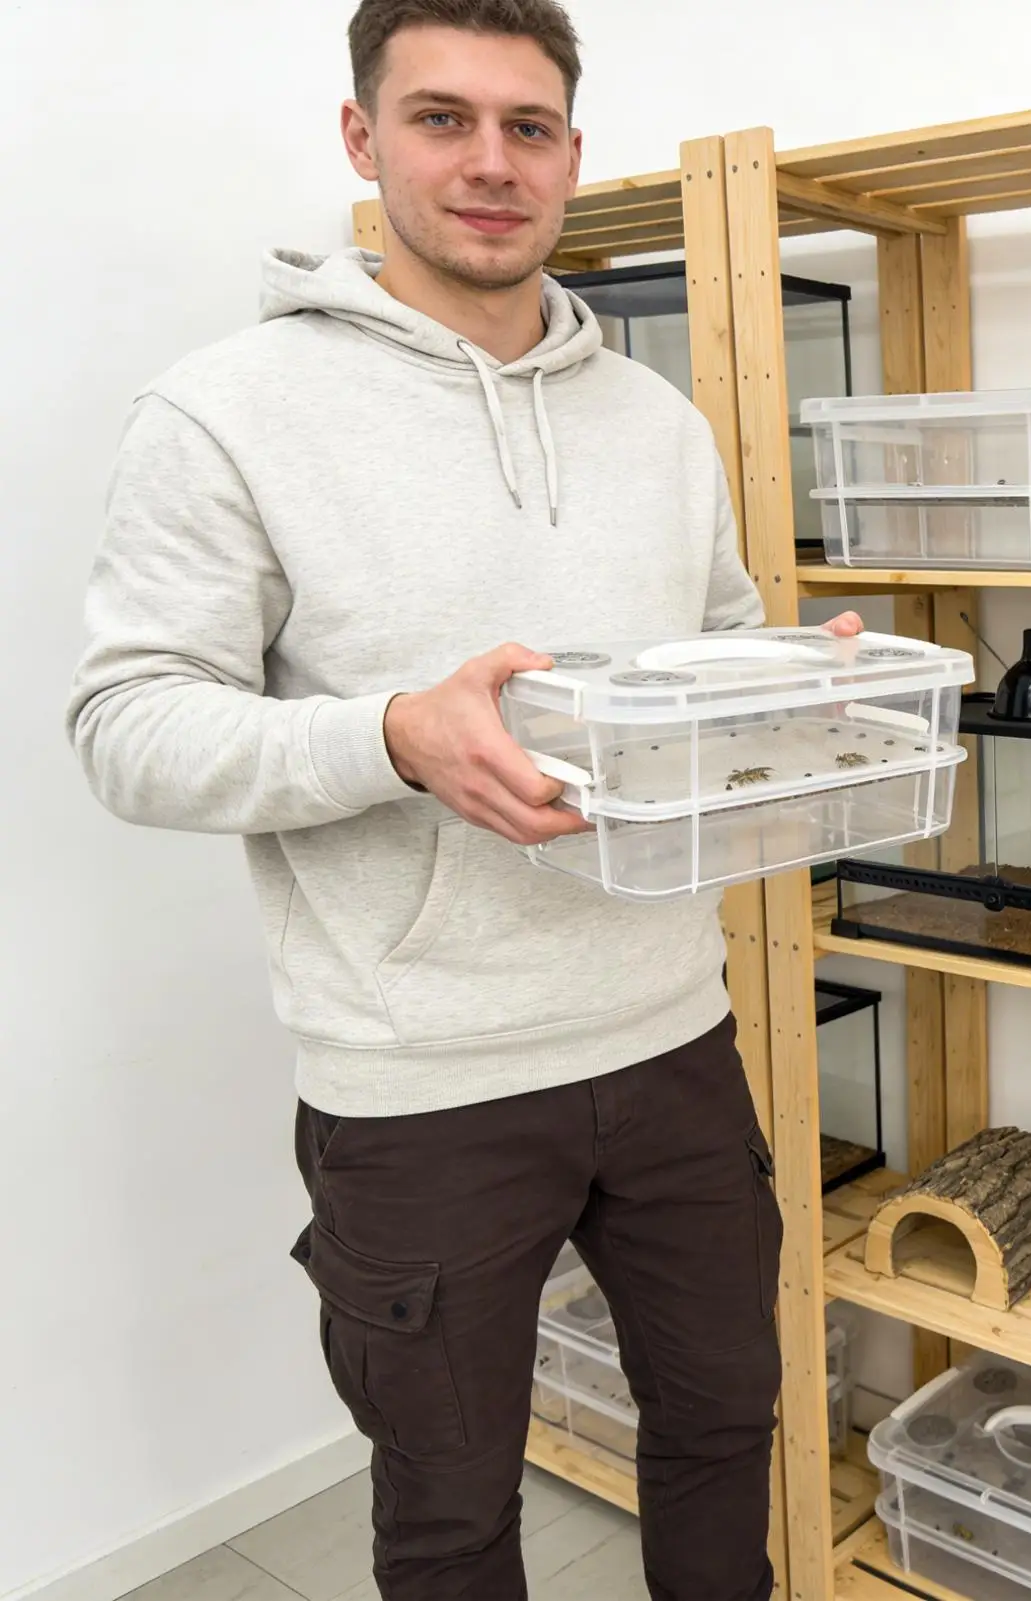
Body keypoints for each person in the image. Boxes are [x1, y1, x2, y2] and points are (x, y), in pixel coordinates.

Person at [67, 2, 861, 1596]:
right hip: (417, 1085)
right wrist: (390, 737)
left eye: (529, 127)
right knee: (448, 1512)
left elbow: (702, 646)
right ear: (362, 141)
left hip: (671, 1035)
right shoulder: (224, 409)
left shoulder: (657, 419)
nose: (492, 165)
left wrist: (785, 681)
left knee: (728, 1423)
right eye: (443, 120)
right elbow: (127, 725)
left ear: (573, 150)